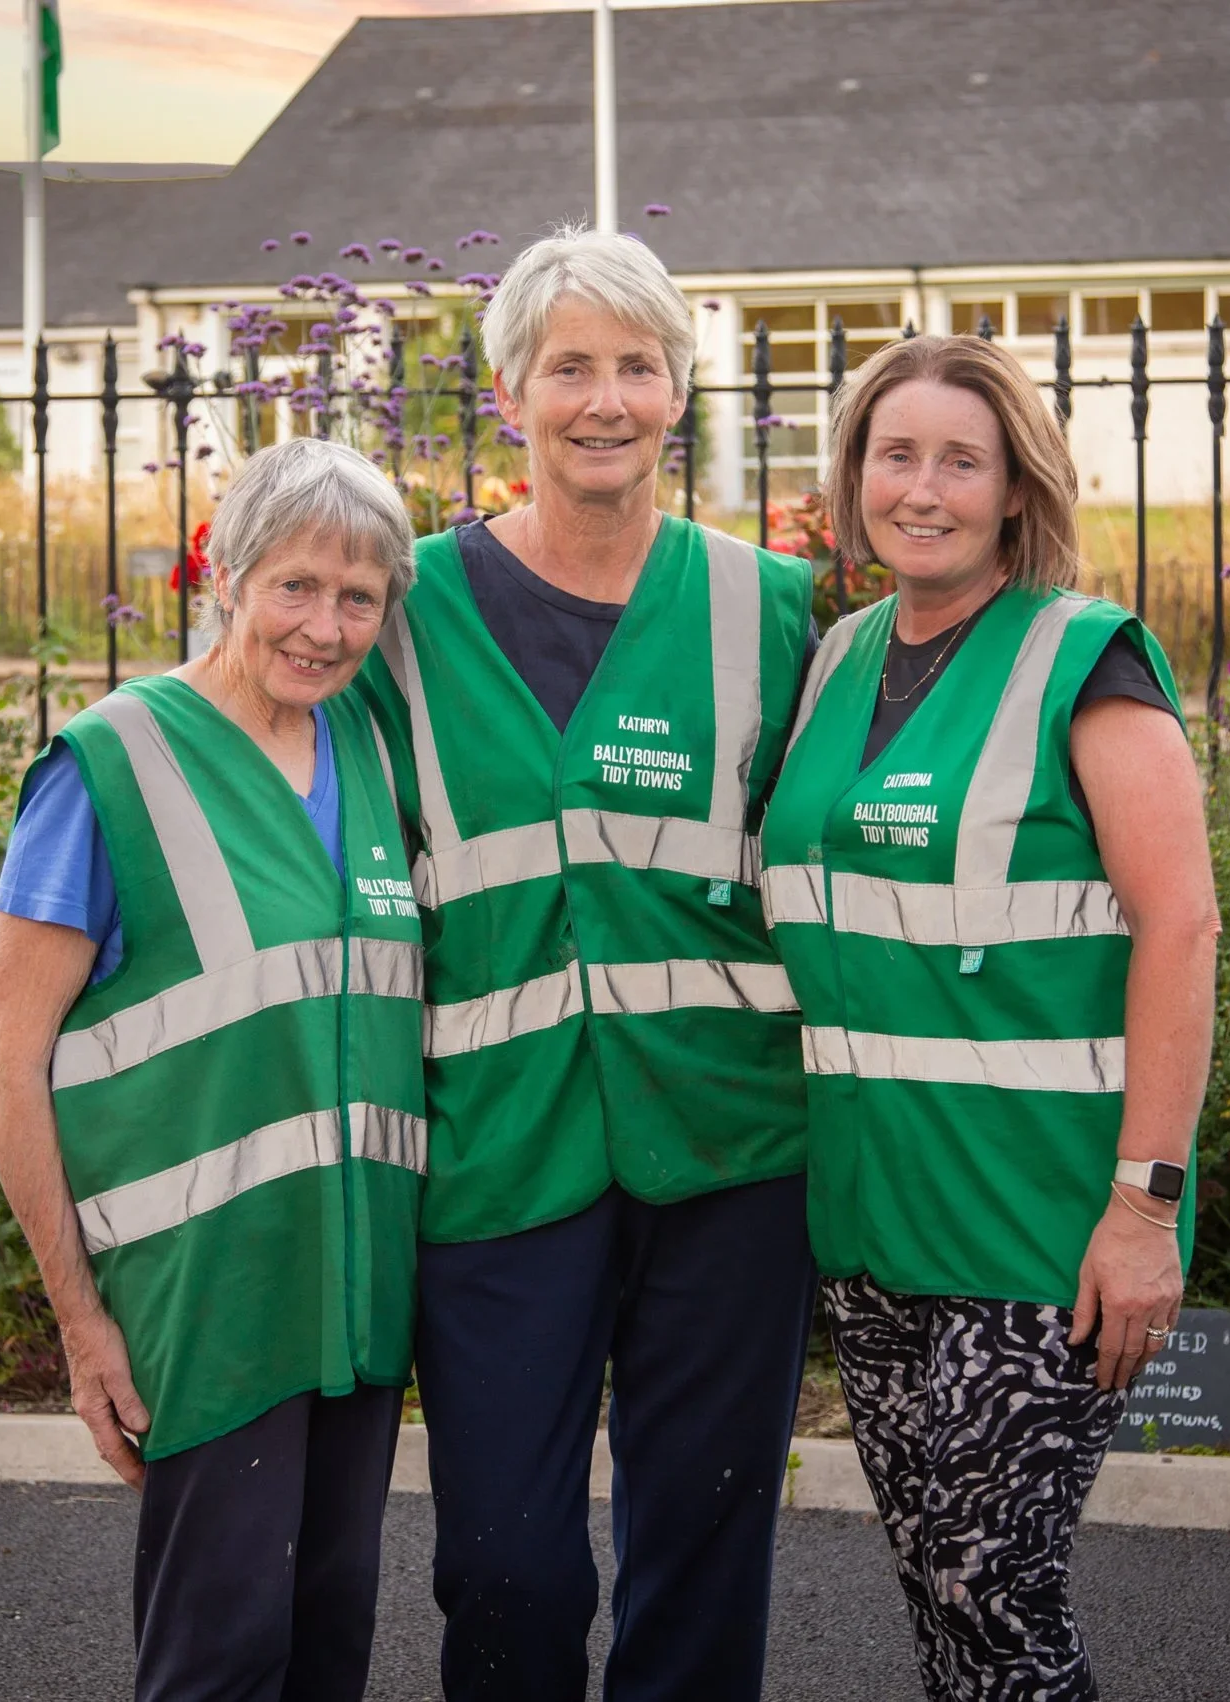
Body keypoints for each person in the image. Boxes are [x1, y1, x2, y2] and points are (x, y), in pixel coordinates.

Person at [355, 226, 816, 1701]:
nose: (604, 398)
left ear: (681, 390)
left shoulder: (777, 609)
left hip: (730, 1151)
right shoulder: (397, 610)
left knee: (704, 1548)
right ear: (508, 394)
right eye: (570, 366)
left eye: (637, 364)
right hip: (496, 1151)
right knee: (506, 1565)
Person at [760, 334, 1218, 1702]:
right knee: (944, 1601)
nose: (923, 487)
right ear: (854, 477)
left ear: (1017, 487)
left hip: (1047, 1232)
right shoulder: (837, 657)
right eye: (895, 454)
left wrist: (1146, 1208)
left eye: (961, 460)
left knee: (988, 1583)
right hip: (880, 1217)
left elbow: (1182, 927)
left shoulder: (1089, 660)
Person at [0, 437, 426, 1702]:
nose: (324, 627)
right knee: (217, 1663)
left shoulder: (372, 761)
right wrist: (79, 1321)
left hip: (354, 1298)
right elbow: (2, 1060)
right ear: (226, 573)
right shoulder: (109, 764)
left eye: (358, 597)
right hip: (208, 1300)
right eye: (294, 585)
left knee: (328, 1643)